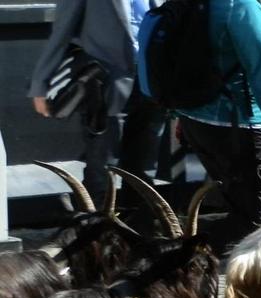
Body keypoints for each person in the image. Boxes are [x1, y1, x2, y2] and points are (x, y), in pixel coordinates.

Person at [175, 0, 261, 251]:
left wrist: (180, 113)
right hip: (240, 125)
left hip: (198, 121)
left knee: (238, 208)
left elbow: (183, 61)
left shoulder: (194, 5)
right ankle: (179, 256)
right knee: (257, 222)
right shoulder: (241, 7)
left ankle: (195, 262)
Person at [28, 0, 166, 205]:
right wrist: (41, 84)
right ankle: (98, 226)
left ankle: (140, 225)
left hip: (151, 81)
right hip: (105, 84)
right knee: (103, 164)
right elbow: (61, 31)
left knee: (144, 164)